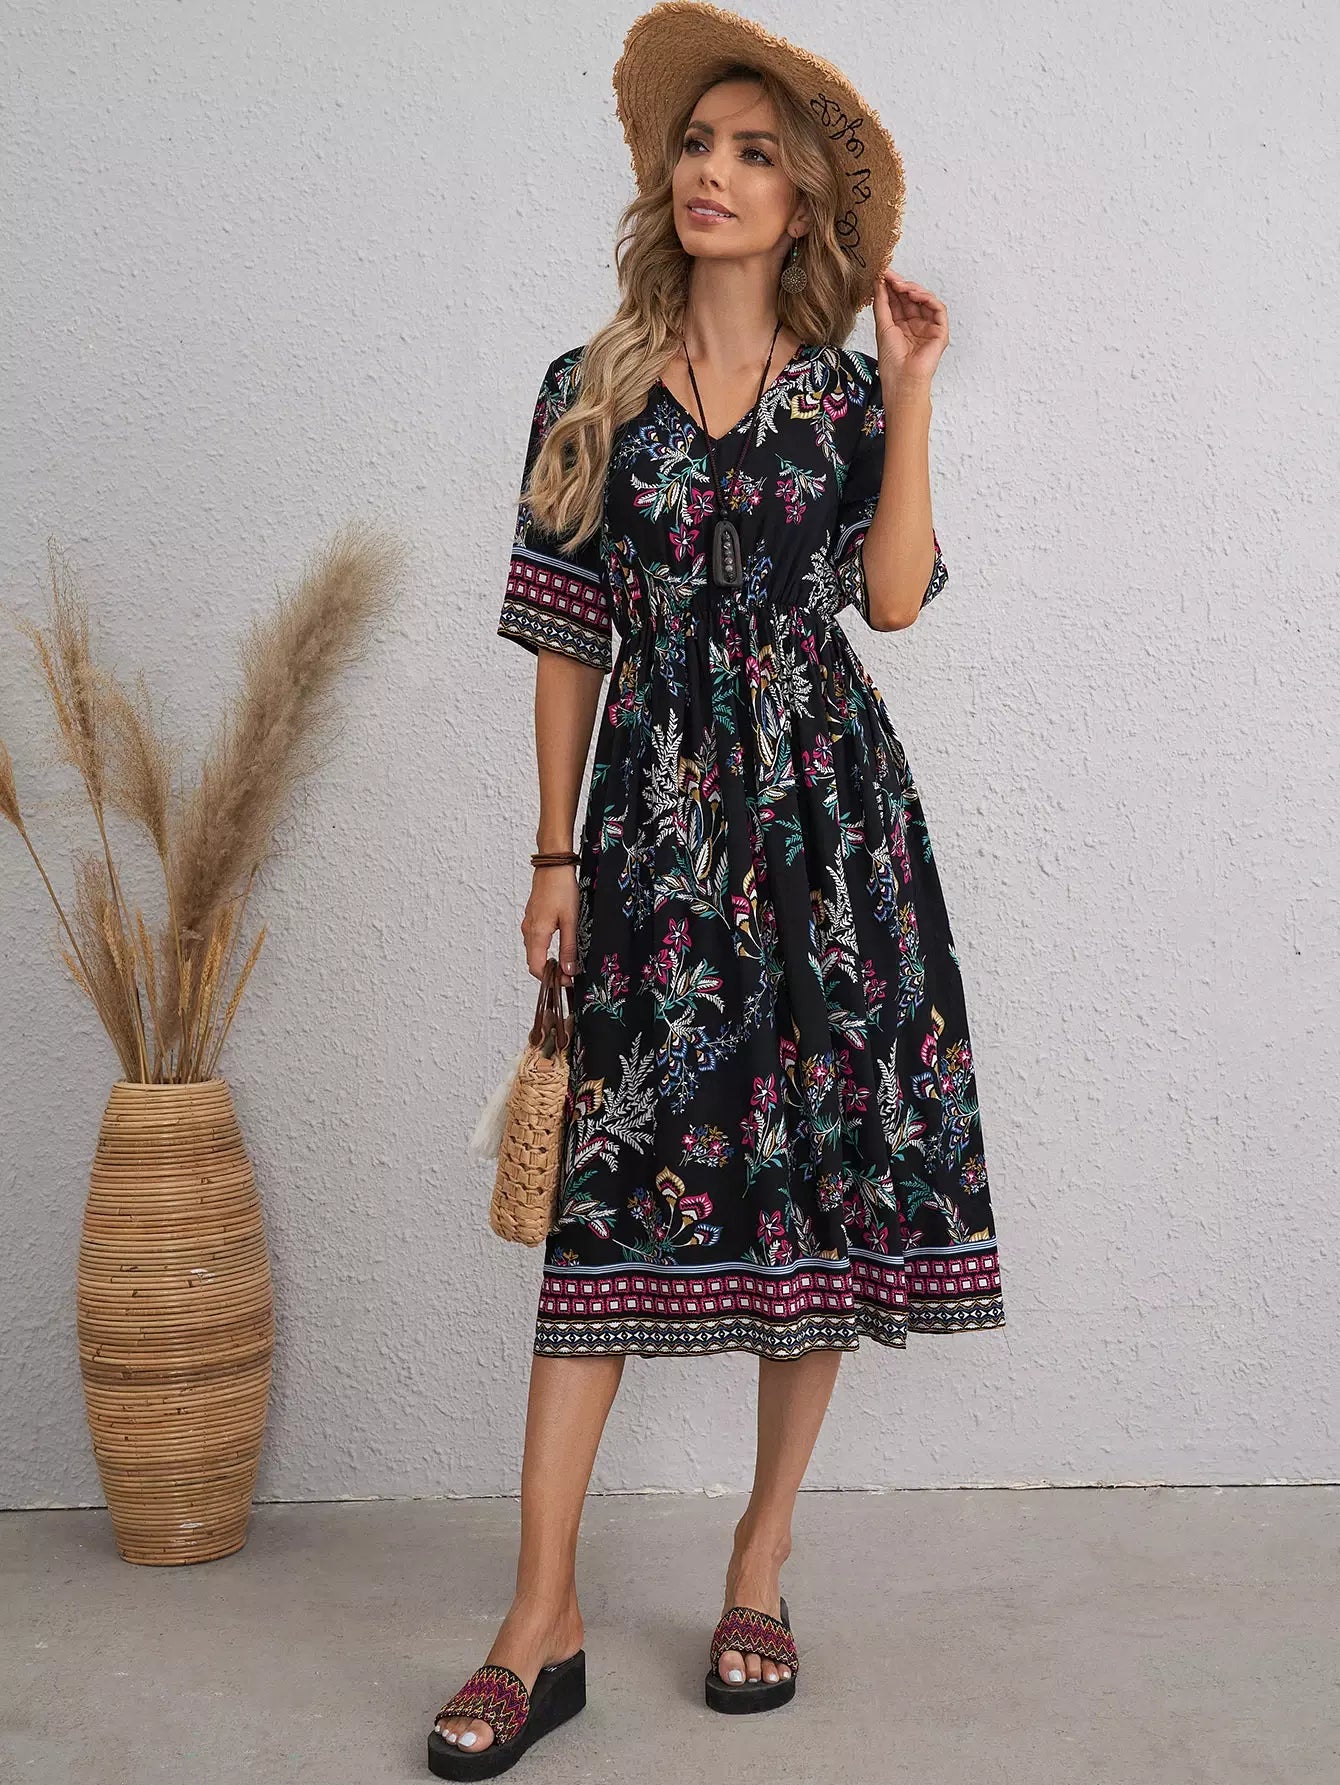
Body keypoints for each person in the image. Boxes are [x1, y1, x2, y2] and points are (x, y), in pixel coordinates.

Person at [429, 2, 1005, 1774]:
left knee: (814, 1186)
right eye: (698, 144)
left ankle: (760, 1562)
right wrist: (554, 850)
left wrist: (913, 392)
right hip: (653, 835)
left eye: (755, 152)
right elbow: (564, 635)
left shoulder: (843, 396)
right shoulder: (588, 387)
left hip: (830, 833)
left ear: (803, 200)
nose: (714, 171)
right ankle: (540, 1615)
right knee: (603, 1197)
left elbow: (890, 601)